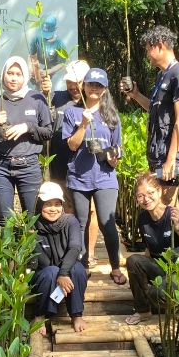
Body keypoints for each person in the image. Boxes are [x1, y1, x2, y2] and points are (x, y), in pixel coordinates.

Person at [61, 68, 127, 286]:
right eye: (90, 84)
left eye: (99, 85)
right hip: (79, 177)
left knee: (108, 223)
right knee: (80, 223)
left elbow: (117, 148)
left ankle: (115, 267)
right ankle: (83, 266)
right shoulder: (72, 113)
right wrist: (83, 124)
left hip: (105, 177)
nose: (94, 89)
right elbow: (71, 144)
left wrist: (114, 158)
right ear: (84, 86)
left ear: (105, 89)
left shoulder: (111, 116)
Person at [120, 26, 179, 203]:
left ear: (159, 46)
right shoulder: (162, 75)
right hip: (157, 152)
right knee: (161, 208)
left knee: (168, 208)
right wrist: (135, 95)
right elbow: (154, 108)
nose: (147, 55)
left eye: (147, 50)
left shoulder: (178, 73)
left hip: (168, 154)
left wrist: (171, 159)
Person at [42, 60, 102, 260]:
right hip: (60, 167)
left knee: (90, 211)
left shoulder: (94, 101)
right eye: (70, 82)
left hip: (86, 169)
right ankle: (70, 251)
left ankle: (90, 253)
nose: (73, 86)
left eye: (78, 82)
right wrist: (45, 92)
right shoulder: (57, 97)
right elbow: (41, 110)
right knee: (66, 210)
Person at [0, 56, 53, 219]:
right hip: (0, 166)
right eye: (10, 73)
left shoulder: (37, 99)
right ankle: (7, 245)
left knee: (32, 219)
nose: (14, 78)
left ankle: (30, 246)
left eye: (18, 74)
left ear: (25, 76)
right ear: (3, 75)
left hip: (29, 166)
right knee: (4, 220)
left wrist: (27, 127)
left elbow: (48, 132)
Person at [125, 173, 179, 325]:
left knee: (158, 293)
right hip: (160, 266)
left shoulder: (173, 214)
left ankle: (178, 304)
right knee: (133, 260)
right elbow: (148, 250)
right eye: (140, 196)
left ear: (160, 192)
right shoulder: (142, 218)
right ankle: (143, 310)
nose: (146, 199)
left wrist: (178, 228)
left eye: (150, 193)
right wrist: (138, 278)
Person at [30, 182, 88, 334]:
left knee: (78, 269)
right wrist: (59, 274)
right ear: (40, 206)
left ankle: (76, 315)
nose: (53, 209)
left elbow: (75, 248)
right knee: (51, 271)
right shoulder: (33, 226)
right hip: (44, 274)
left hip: (66, 271)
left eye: (57, 204)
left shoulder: (70, 221)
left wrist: (63, 273)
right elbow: (41, 260)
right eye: (48, 204)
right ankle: (40, 316)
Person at [30, 14, 68, 84]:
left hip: (53, 71)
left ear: (55, 28)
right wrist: (34, 69)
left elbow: (62, 63)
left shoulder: (60, 44)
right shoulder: (36, 39)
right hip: (39, 70)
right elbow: (32, 56)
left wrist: (48, 72)